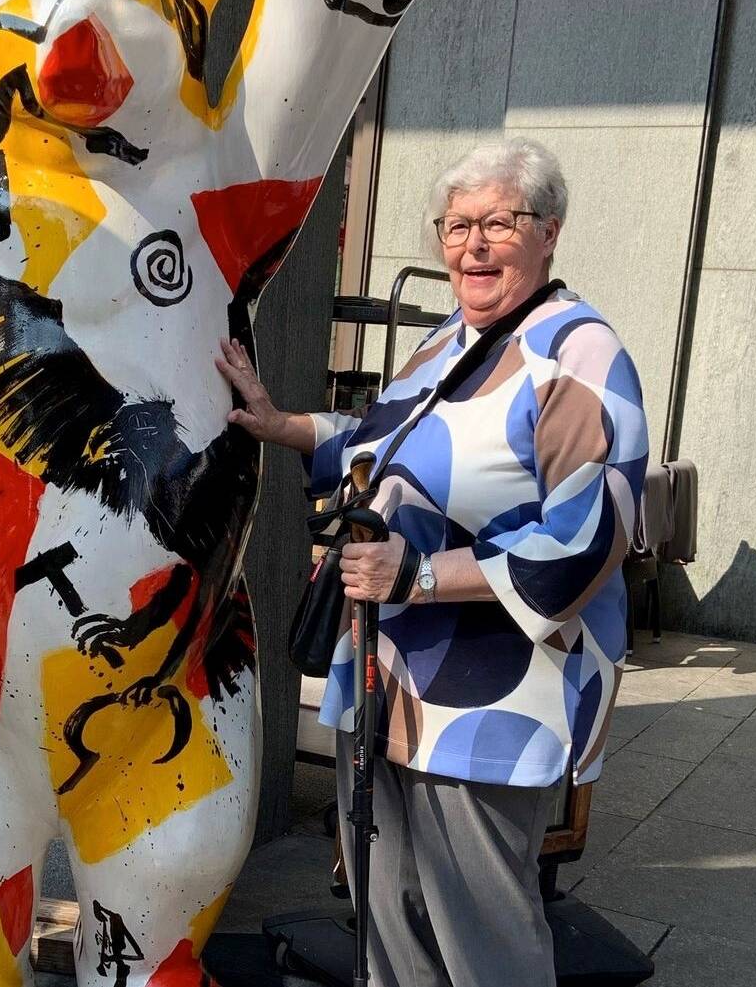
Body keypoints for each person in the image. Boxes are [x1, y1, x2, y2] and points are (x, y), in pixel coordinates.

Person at [216, 138, 647, 987]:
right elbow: (387, 449)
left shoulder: (581, 354)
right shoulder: (450, 338)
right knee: (389, 914)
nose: (472, 245)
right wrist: (282, 423)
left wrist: (416, 576)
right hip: (387, 680)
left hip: (491, 701)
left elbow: (585, 542)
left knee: (480, 933)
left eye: (499, 222)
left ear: (549, 231)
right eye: (456, 225)